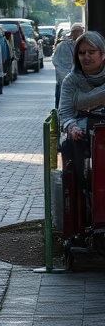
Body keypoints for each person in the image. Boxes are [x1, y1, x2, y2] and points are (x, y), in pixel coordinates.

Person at [57, 30, 105, 223]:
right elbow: (65, 114)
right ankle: (81, 211)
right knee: (71, 150)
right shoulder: (71, 80)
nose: (86, 56)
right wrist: (72, 127)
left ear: (102, 54)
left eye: (91, 52)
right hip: (83, 137)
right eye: (82, 53)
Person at [54, 23, 84, 109]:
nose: (79, 33)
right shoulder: (63, 46)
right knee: (62, 106)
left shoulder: (84, 46)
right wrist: (66, 77)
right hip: (64, 81)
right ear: (72, 33)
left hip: (80, 83)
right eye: (76, 31)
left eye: (81, 31)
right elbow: (57, 62)